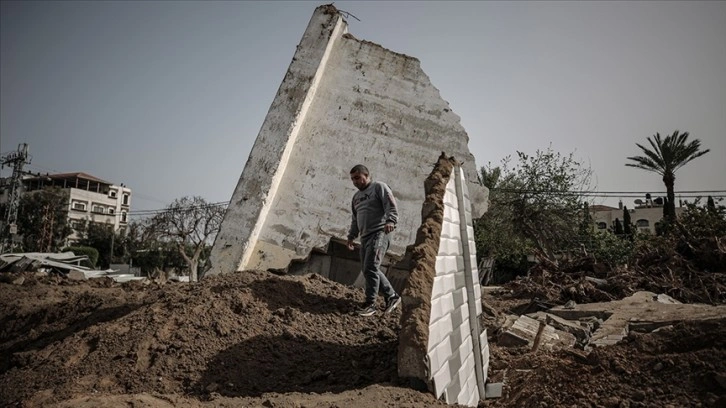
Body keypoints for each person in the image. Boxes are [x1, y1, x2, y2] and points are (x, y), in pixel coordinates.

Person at [346, 164, 402, 317]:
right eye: (352, 179)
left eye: (357, 178)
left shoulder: (379, 187)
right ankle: (392, 296)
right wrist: (351, 235)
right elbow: (355, 218)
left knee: (371, 266)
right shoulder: (356, 198)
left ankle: (371, 304)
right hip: (365, 236)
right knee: (368, 268)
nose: (355, 182)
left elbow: (391, 205)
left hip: (380, 232)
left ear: (366, 175)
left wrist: (391, 221)